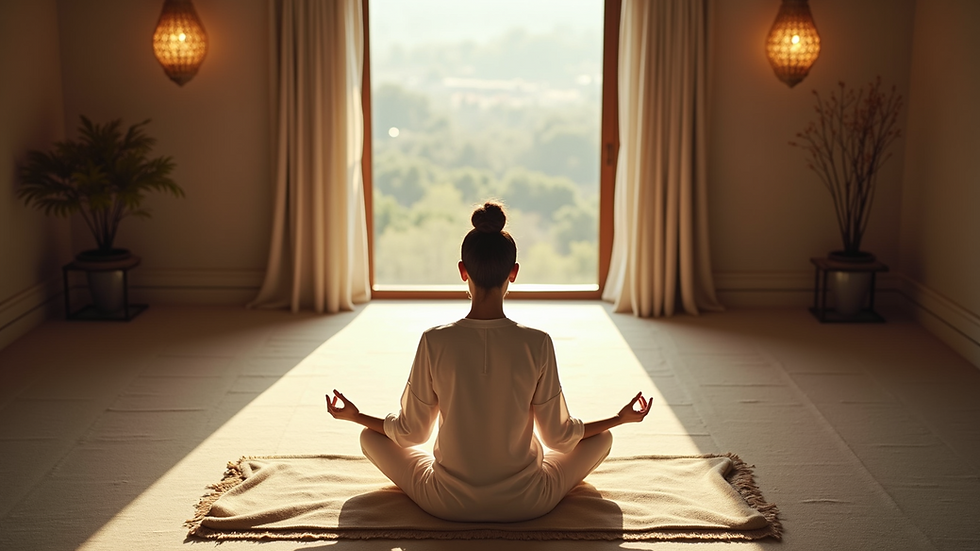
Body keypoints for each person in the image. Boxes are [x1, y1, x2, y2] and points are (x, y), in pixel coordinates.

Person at [326, 201, 651, 522]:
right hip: (528, 501)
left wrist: (356, 416)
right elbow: (559, 439)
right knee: (603, 438)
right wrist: (619, 419)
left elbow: (411, 433)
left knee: (369, 436)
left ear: (462, 271)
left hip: (445, 501)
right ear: (514, 273)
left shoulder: (434, 341)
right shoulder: (537, 342)